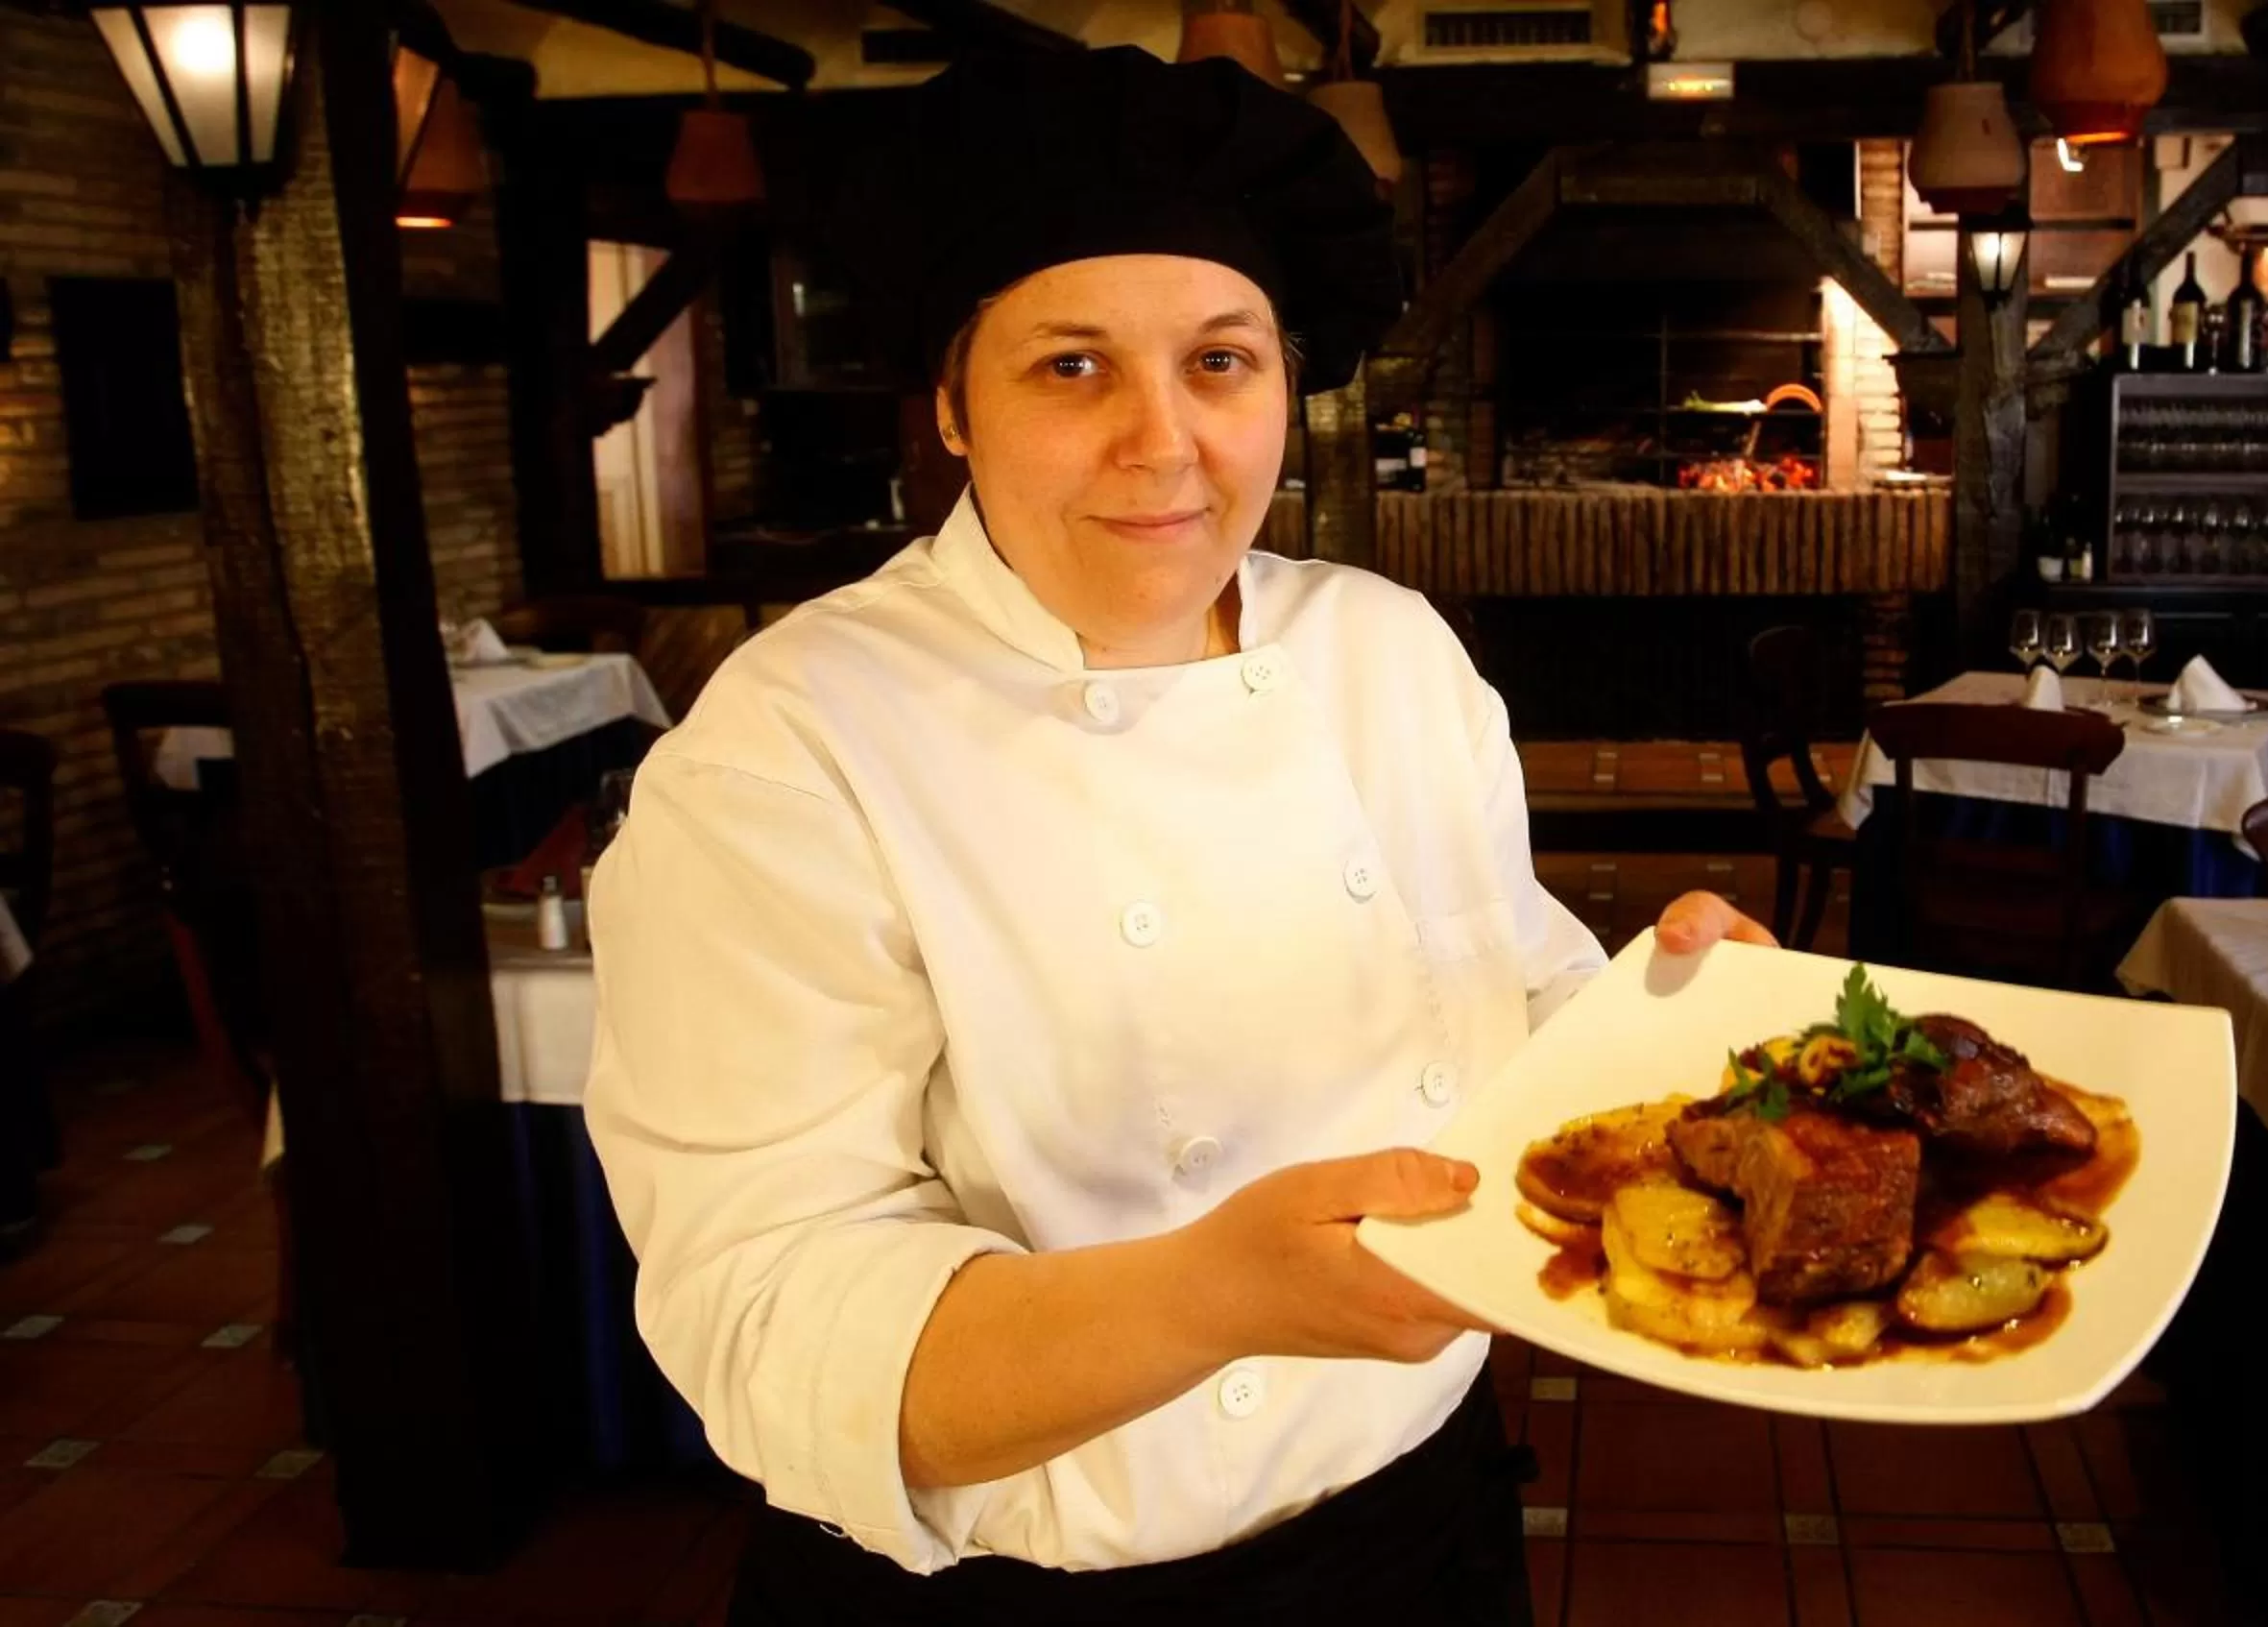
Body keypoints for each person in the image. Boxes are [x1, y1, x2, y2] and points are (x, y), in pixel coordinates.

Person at [582, 47, 1773, 1627]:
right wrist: (1212, 1297)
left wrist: (1677, 1015)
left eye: (1221, 362)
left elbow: (1512, 1005)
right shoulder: (793, 744)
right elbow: (770, 1315)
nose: (1165, 442)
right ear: (951, 403)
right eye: (1071, 367)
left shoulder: (1389, 650)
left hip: (1417, 1524)